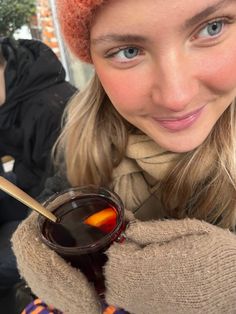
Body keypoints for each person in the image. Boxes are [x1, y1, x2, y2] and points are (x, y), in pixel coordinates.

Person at [11, 0, 236, 313]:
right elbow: (57, 200)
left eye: (212, 28)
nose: (176, 97)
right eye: (128, 51)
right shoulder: (81, 142)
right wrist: (42, 258)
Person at [0, 37, 76, 299]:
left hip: (54, 209)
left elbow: (60, 198)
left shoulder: (51, 108)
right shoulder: (11, 95)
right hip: (27, 181)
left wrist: (26, 233)